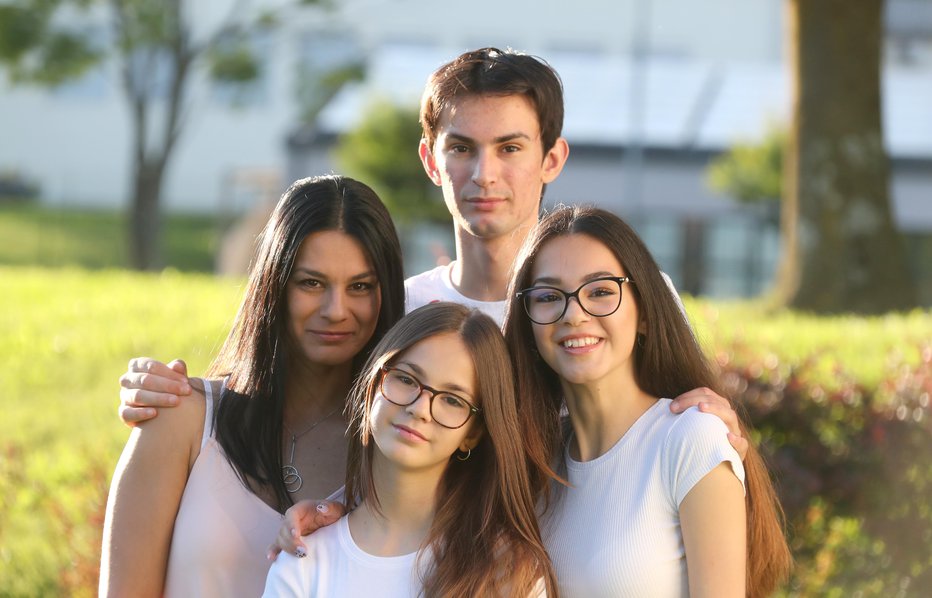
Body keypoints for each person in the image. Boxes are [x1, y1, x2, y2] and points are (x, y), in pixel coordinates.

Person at [117, 48, 747, 457]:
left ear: (552, 158)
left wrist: (729, 432)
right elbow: (293, 401)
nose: (484, 174)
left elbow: (696, 433)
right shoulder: (400, 308)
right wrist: (187, 393)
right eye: (462, 148)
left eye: (510, 148)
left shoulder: (622, 295)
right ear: (430, 160)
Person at [98, 175, 405, 596]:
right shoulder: (181, 421)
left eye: (360, 287)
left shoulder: (395, 455)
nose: (337, 310)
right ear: (274, 286)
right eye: (311, 283)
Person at [503, 205, 791, 597]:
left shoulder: (691, 438)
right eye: (549, 296)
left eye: (601, 291)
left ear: (644, 314)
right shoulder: (533, 461)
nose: (573, 314)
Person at [263, 302, 555, 596]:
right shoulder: (304, 559)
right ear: (373, 383)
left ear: (473, 434)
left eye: (452, 400)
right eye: (406, 379)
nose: (420, 409)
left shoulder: (507, 573)